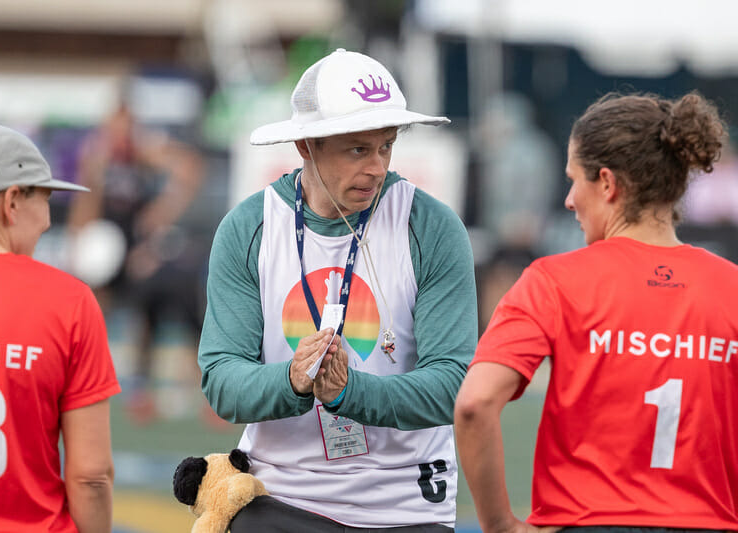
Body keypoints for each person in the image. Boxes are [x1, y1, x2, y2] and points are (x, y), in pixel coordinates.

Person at [198, 48, 477, 531]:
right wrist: (292, 381)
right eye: (357, 149)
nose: (377, 166)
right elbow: (221, 380)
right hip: (278, 497)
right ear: (306, 145)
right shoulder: (248, 227)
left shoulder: (430, 226)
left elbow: (455, 380)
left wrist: (351, 392)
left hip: (404, 503)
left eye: (386, 146)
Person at [454, 92, 738, 533]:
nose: (569, 200)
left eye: (574, 180)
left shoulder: (553, 280)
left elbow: (474, 403)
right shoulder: (731, 287)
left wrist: (501, 526)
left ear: (607, 183)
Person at [0, 122, 121, 532]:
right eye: (46, 197)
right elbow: (90, 475)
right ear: (12, 201)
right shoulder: (67, 301)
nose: (47, 220)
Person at [66, 104, 204, 424]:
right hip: (104, 250)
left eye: (127, 127)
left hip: (136, 250)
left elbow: (190, 170)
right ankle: (80, 385)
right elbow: (85, 202)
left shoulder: (144, 155)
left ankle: (156, 390)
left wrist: (159, 215)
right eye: (115, 127)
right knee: (90, 316)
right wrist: (79, 245)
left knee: (148, 315)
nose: (121, 135)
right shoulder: (98, 160)